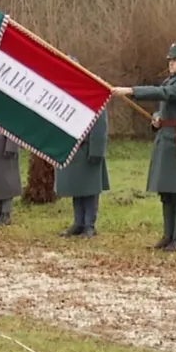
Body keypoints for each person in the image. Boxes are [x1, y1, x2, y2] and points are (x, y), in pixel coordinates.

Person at [113, 43, 176, 251]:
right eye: (169, 61)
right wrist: (157, 118)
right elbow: (164, 108)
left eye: (174, 60)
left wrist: (130, 90)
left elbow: (164, 94)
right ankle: (167, 237)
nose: (170, 64)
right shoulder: (172, 80)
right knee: (166, 190)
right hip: (166, 138)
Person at [56, 85, 110, 238]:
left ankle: (89, 225)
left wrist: (96, 151)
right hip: (72, 149)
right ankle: (78, 223)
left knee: (90, 190)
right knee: (76, 188)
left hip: (87, 148)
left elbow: (100, 125)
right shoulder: (64, 95)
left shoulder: (93, 94)